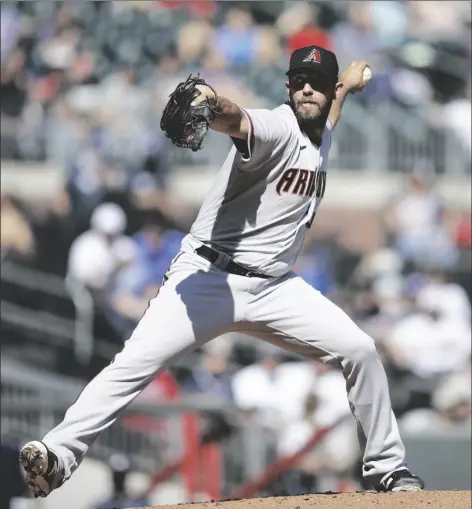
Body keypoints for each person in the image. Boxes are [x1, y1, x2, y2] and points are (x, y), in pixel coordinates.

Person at [20, 45, 424, 497]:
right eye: (297, 81)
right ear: (288, 88)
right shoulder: (277, 125)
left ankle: (386, 468)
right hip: (207, 278)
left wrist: (350, 83)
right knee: (132, 365)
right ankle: (57, 455)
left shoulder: (322, 131)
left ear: (330, 92)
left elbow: (329, 116)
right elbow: (239, 119)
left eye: (317, 83)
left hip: (275, 287)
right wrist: (211, 104)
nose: (306, 88)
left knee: (361, 350)